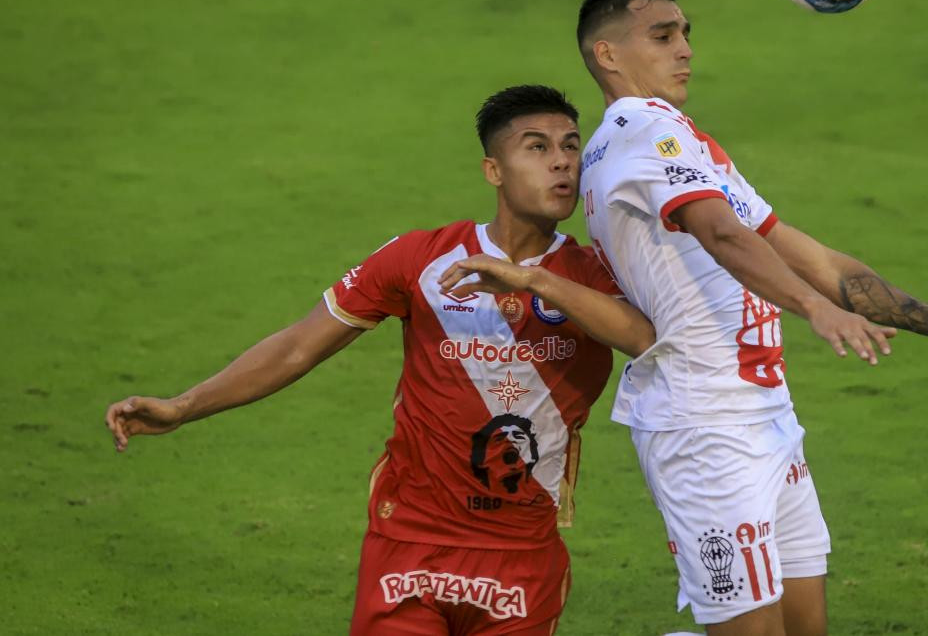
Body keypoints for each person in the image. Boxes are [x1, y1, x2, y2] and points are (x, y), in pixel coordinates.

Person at [571, 0, 928, 636]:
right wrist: (814, 309)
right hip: (704, 427)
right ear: (608, 54)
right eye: (663, 35)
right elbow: (719, 234)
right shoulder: (637, 131)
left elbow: (812, 257)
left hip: (766, 416)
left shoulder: (685, 144)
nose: (685, 48)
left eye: (686, 33)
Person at [104, 84, 656, 636]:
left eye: (570, 146)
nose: (561, 161)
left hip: (523, 555)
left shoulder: (593, 273)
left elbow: (642, 337)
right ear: (493, 170)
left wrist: (536, 279)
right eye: (536, 147)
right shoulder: (421, 258)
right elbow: (300, 344)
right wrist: (183, 407)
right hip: (410, 543)